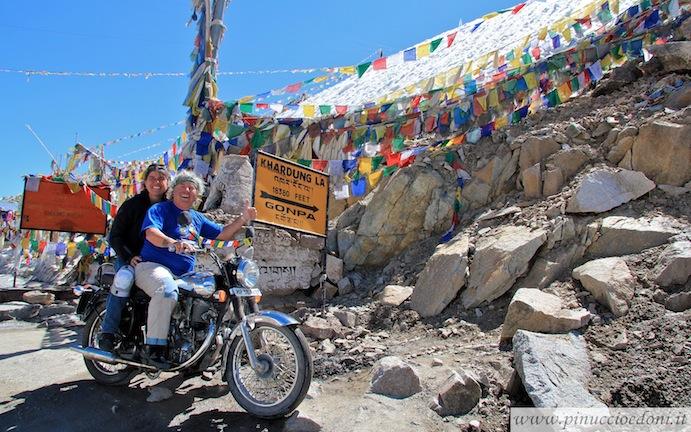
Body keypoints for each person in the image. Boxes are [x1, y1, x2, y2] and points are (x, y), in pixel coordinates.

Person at [135, 172, 256, 367]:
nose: (187, 190)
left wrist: (243, 218)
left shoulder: (196, 218)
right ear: (173, 191)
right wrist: (173, 242)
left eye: (192, 188)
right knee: (166, 290)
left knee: (207, 293)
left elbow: (222, 233)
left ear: (197, 196)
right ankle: (154, 350)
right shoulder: (160, 209)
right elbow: (151, 233)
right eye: (182, 186)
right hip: (152, 267)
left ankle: (196, 346)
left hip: (184, 274)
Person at [98, 164, 170, 352]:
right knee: (124, 279)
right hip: (132, 257)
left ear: (168, 183)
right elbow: (115, 236)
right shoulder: (132, 205)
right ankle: (108, 332)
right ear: (145, 182)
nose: (157, 182)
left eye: (161, 178)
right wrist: (129, 257)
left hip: (159, 260)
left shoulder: (170, 207)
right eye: (152, 178)